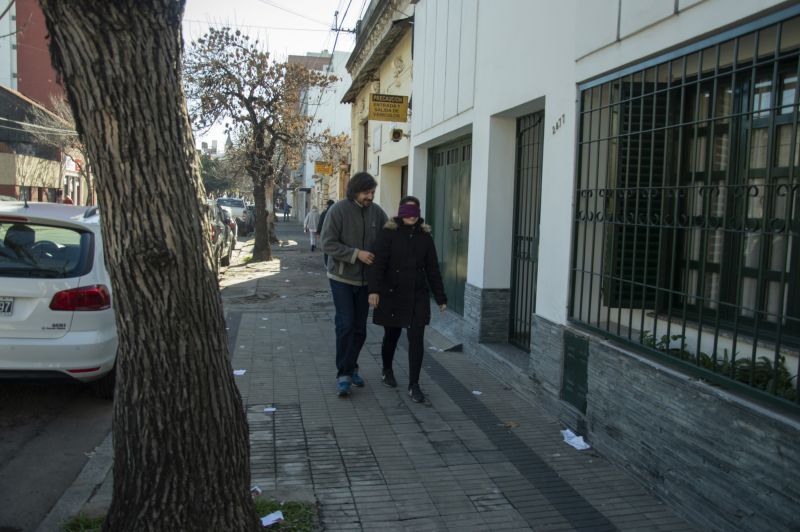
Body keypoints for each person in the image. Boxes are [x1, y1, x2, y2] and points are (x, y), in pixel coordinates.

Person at [368, 196, 447, 404]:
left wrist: (440, 296)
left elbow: (432, 269)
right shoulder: (388, 234)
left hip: (417, 295)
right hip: (392, 293)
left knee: (416, 339)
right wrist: (374, 290)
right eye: (407, 212)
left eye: (415, 212)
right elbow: (378, 264)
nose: (411, 216)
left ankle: (414, 384)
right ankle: (387, 369)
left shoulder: (425, 236)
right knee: (391, 335)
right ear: (401, 212)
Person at [320, 172, 388, 397]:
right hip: (341, 278)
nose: (370, 196)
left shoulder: (377, 213)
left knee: (360, 328)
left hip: (366, 281)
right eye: (366, 192)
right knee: (346, 324)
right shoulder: (338, 210)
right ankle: (343, 374)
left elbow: (389, 237)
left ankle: (352, 367)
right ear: (355, 191)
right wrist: (355, 254)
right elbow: (327, 243)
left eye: (372, 192)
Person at [316, 199, 335, 266]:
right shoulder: (336, 212)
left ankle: (327, 264)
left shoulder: (324, 212)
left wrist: (318, 232)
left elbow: (320, 223)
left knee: (326, 249)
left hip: (326, 233)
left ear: (327, 205)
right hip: (335, 233)